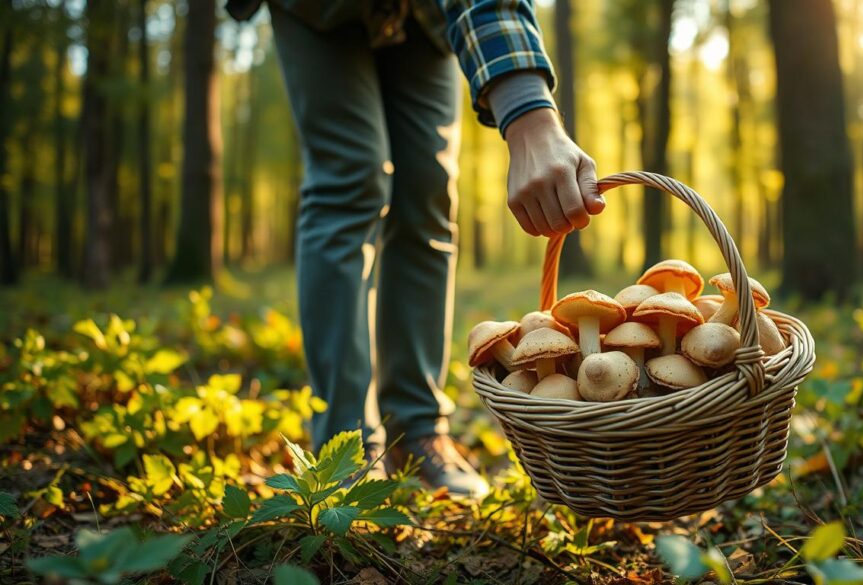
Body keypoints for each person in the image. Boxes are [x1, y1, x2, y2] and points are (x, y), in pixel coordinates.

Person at [226, 0, 603, 497]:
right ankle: (344, 443)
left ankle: (416, 428)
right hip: (315, 10)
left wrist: (527, 110)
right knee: (350, 179)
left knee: (429, 190)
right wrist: (529, 117)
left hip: (424, 16)